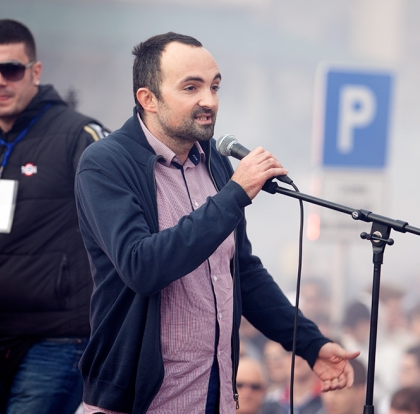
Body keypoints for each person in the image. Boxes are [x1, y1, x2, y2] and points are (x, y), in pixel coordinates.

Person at [74, 31, 359, 414]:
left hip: (216, 393)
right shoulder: (105, 163)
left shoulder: (215, 162)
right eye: (191, 87)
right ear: (148, 99)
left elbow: (242, 272)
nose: (209, 100)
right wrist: (234, 195)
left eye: (215, 86)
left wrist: (311, 344)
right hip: (140, 402)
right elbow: (141, 266)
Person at [0, 19, 108, 414]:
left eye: (10, 69)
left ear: (34, 71)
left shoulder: (80, 135)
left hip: (60, 338)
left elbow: (126, 221)